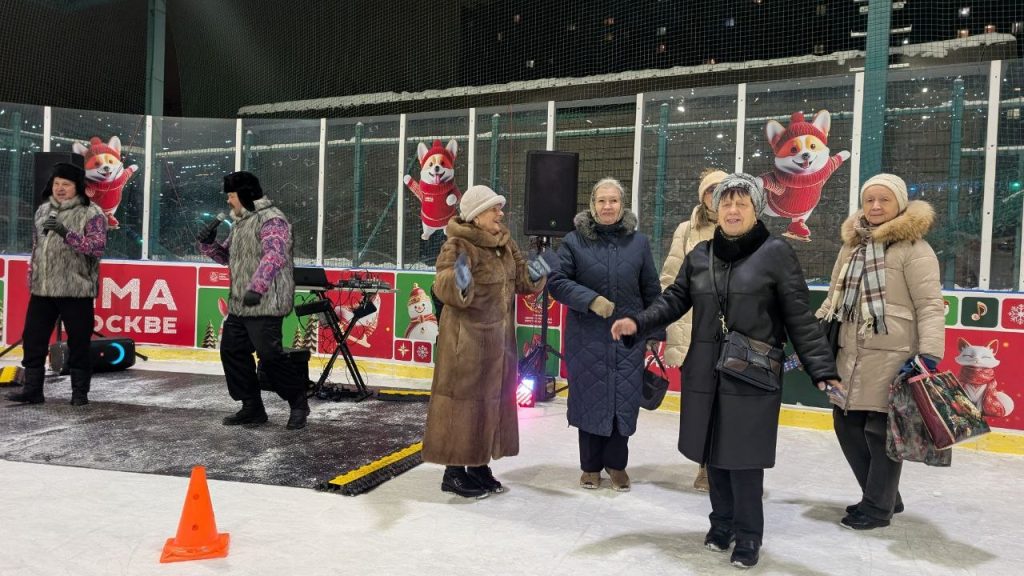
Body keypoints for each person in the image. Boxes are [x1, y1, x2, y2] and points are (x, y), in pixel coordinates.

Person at [610, 173, 839, 569]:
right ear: (716, 209)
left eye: (741, 203)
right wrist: (639, 324)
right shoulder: (700, 254)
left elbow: (800, 317)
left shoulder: (776, 252)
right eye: (726, 203)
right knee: (713, 451)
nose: (733, 210)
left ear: (755, 209)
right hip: (706, 370)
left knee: (744, 458)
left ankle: (749, 535)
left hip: (752, 372)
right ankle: (722, 523)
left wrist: (822, 369)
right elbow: (674, 300)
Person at [815, 173, 944, 530]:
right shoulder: (851, 247)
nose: (875, 206)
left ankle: (877, 507)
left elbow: (931, 305)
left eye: (883, 200)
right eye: (869, 199)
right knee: (845, 423)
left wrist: (929, 353)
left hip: (893, 356)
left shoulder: (914, 249)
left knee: (878, 431)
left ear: (899, 204)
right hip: (849, 352)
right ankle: (886, 495)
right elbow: (833, 297)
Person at [421, 184, 552, 499]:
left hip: (499, 345)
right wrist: (460, 279)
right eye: (494, 208)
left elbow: (523, 280)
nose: (500, 213)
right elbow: (443, 284)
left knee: (489, 406)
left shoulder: (504, 244)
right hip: (466, 346)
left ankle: (478, 466)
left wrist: (544, 263)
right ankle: (454, 472)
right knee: (462, 408)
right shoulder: (458, 245)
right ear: (477, 214)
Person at [547, 177, 663, 492]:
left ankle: (617, 465)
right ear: (592, 205)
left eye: (613, 200)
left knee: (623, 399)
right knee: (589, 398)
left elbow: (651, 289)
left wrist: (653, 330)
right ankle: (590, 467)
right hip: (587, 338)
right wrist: (590, 301)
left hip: (627, 338)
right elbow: (556, 281)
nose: (607, 206)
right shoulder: (573, 241)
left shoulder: (638, 243)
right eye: (601, 201)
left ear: (622, 205)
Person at [197, 171, 310, 430]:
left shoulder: (272, 220)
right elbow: (227, 257)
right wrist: (209, 244)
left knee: (270, 356)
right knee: (232, 351)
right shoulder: (240, 223)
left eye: (232, 195)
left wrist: (257, 288)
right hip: (240, 303)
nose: (228, 201)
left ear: (245, 195)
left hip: (266, 301)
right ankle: (252, 407)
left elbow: (275, 255)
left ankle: (298, 402)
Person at [6, 161, 107, 406]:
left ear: (78, 187)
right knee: (33, 339)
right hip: (43, 289)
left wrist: (66, 233)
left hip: (76, 289)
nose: (60, 188)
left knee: (79, 342)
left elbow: (97, 247)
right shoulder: (42, 211)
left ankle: (79, 393)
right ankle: (33, 390)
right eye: (56, 184)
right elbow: (36, 247)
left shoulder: (91, 213)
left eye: (66, 184)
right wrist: (33, 276)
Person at [659, 168, 727, 492]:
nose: (716, 195)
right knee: (699, 406)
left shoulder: (744, 226)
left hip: (731, 333)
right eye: (710, 190)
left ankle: (724, 464)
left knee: (728, 404)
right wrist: (664, 322)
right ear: (702, 196)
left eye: (722, 189)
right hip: (694, 330)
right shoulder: (687, 230)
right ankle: (704, 465)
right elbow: (671, 279)